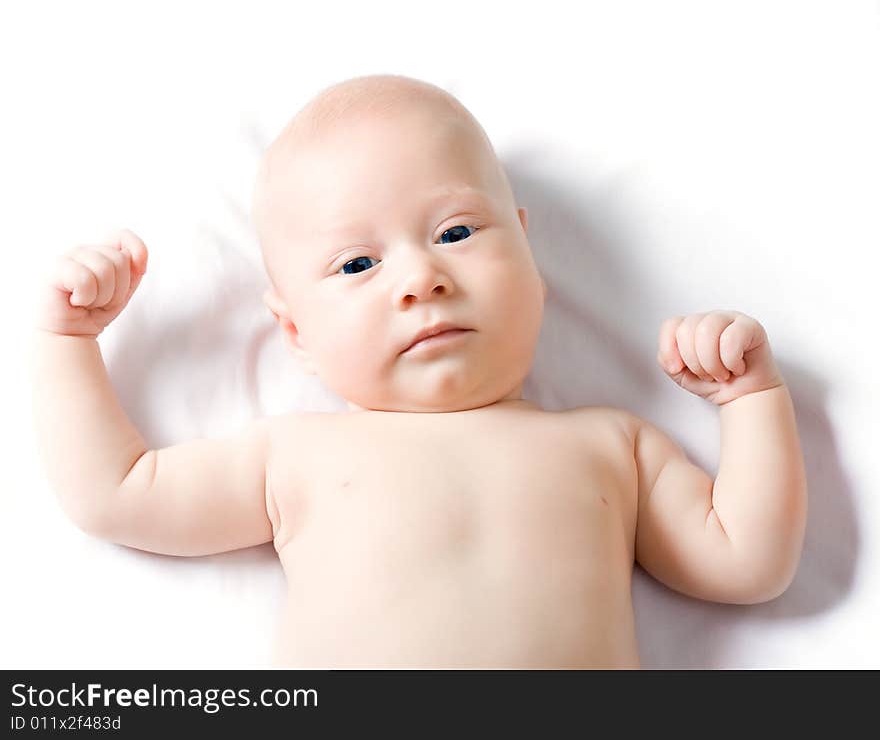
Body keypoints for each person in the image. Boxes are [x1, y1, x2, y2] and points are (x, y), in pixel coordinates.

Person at [31, 74, 807, 667]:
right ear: (295, 331)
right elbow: (117, 491)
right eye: (358, 262)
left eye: (456, 229)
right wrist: (68, 339)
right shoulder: (291, 456)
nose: (419, 278)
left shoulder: (615, 447)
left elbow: (747, 559)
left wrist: (750, 398)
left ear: (530, 256)